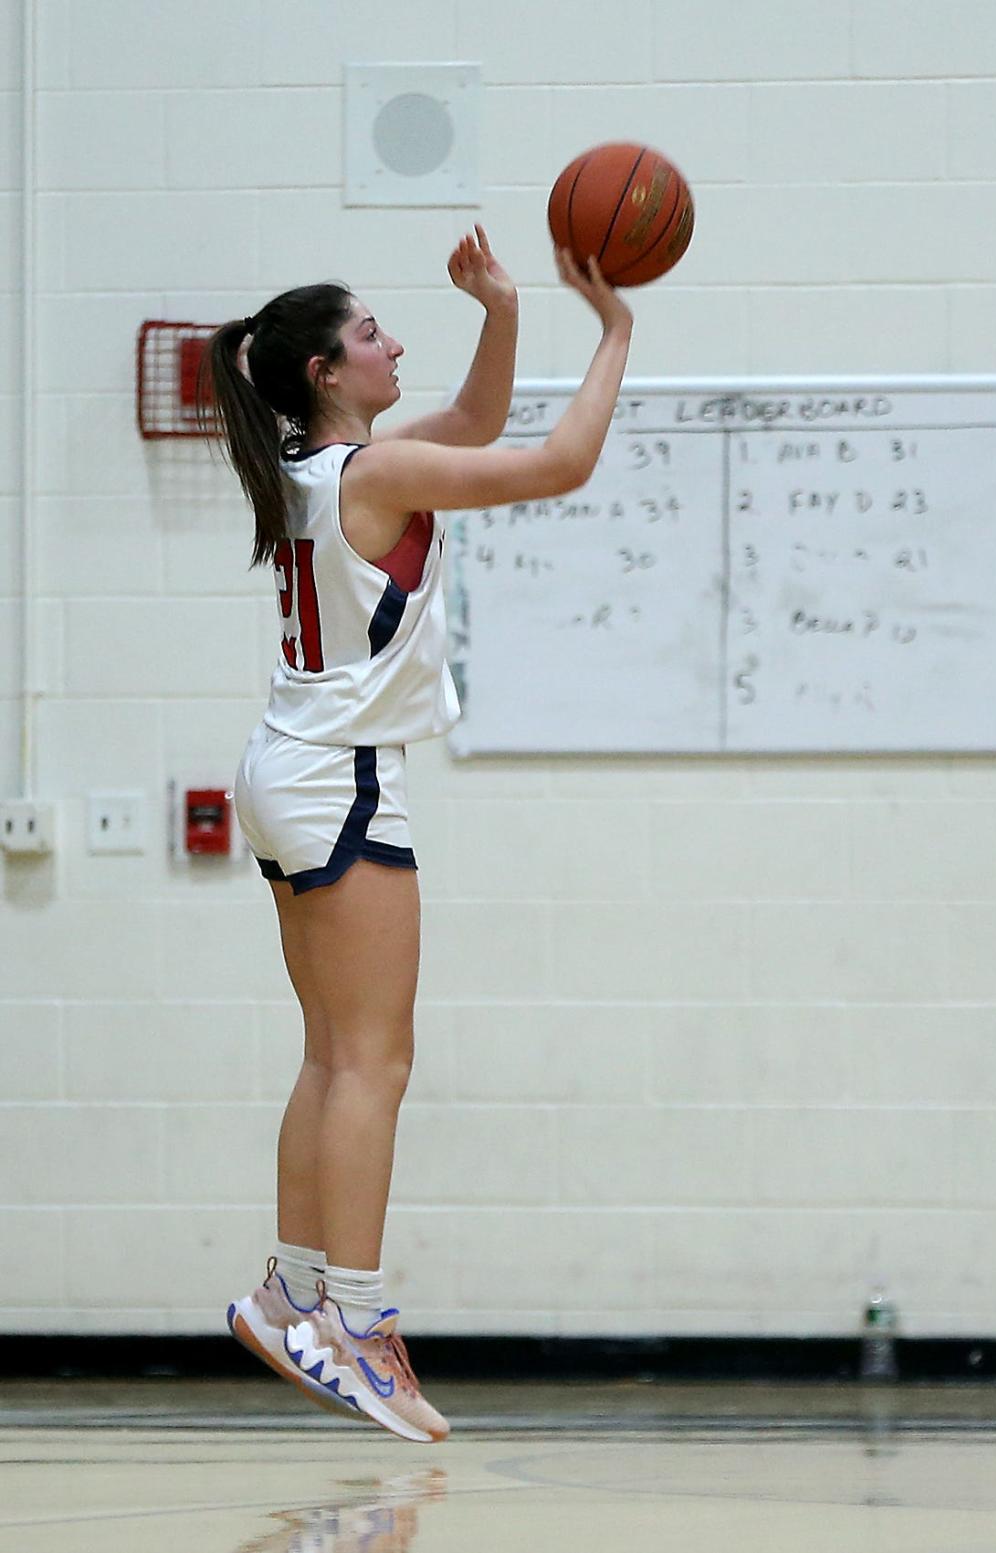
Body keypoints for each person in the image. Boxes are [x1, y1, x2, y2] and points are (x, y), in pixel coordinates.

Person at [200, 227, 633, 1442]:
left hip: (289, 765)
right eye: (373, 330)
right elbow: (556, 461)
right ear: (328, 371)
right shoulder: (369, 479)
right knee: (374, 1061)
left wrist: (501, 309)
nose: (395, 341)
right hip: (337, 778)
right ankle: (355, 1320)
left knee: (334, 1051)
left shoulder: (321, 466)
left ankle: (290, 1286)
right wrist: (615, 333)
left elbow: (479, 411)